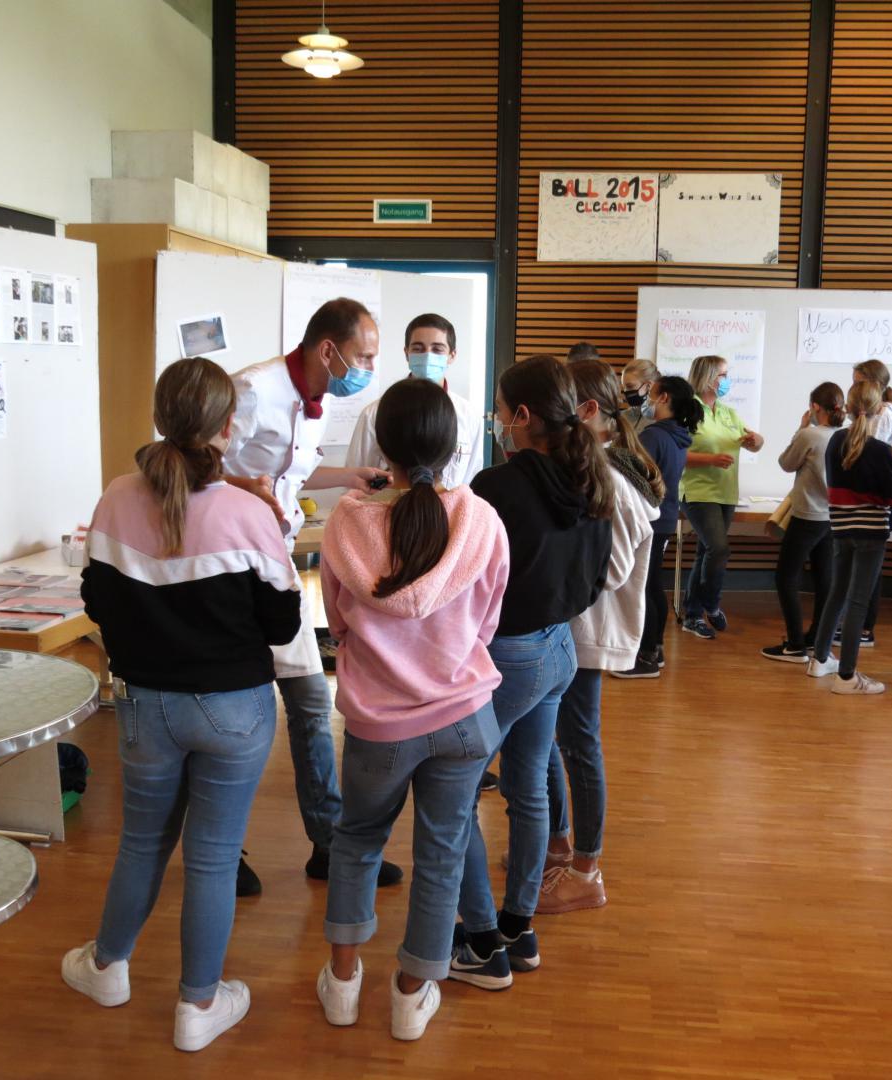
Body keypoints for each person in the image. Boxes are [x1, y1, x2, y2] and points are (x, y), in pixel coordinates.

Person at [63, 358, 302, 1052]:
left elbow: (96, 601)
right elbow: (284, 623)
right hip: (235, 710)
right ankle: (198, 1004)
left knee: (142, 843)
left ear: (160, 417)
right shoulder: (247, 512)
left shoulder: (115, 497)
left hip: (145, 707)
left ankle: (107, 967)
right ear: (228, 429)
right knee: (213, 857)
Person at [315, 379, 509, 1041]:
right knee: (443, 853)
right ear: (453, 445)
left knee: (357, 841)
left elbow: (337, 620)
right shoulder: (480, 519)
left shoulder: (347, 523)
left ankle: (343, 984)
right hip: (464, 716)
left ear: (382, 446)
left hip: (379, 723)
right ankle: (411, 995)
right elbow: (488, 619)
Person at [222, 297, 403, 894]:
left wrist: (347, 477)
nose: (368, 368)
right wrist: (242, 488)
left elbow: (292, 474)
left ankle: (328, 844)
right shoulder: (252, 389)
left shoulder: (317, 403)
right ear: (329, 350)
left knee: (307, 705)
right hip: (228, 570)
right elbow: (189, 464)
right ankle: (223, 851)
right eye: (364, 357)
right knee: (236, 719)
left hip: (275, 567)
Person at [449, 354, 613, 989]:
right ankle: (517, 928)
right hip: (559, 648)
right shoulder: (592, 476)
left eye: (500, 409)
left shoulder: (496, 486)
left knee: (455, 794)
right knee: (529, 789)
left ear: (521, 415)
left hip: (508, 655)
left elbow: (463, 578)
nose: (497, 420)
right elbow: (595, 579)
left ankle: (481, 942)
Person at [539, 359, 658, 913]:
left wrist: (542, 579)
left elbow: (606, 571)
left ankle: (587, 869)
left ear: (587, 410)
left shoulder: (613, 479)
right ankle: (558, 844)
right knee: (552, 740)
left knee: (579, 745)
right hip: (572, 626)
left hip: (587, 631)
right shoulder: (596, 468)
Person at [806, 381, 892, 694]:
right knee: (858, 602)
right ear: (879, 409)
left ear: (847, 408)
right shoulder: (881, 450)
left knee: (837, 594)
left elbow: (836, 487)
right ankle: (846, 677)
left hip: (840, 528)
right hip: (870, 532)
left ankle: (820, 659)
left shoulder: (836, 440)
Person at [613, 374, 699, 678]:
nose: (646, 400)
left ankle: (647, 657)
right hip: (664, 517)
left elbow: (636, 477)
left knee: (644, 588)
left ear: (664, 398)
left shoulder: (653, 436)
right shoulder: (677, 434)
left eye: (652, 394)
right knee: (652, 585)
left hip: (649, 518)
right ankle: (656, 649)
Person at [343, 313, 483, 488]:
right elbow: (355, 481)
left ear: (452, 355)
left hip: (451, 506)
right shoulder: (374, 414)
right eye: (418, 349)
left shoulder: (469, 415)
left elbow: (472, 480)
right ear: (406, 353)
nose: (427, 356)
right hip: (388, 505)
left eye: (437, 349)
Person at [679, 354, 763, 639]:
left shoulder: (728, 413)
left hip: (726, 492)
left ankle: (692, 616)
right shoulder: (687, 410)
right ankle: (711, 605)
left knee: (706, 551)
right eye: (723, 375)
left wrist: (757, 441)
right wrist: (710, 459)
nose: (727, 380)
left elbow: (752, 443)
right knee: (718, 548)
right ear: (707, 377)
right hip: (698, 491)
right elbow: (676, 453)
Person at [762, 382, 844, 662]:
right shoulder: (844, 434)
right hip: (832, 517)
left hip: (807, 515)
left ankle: (795, 644)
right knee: (824, 579)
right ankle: (818, 638)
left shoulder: (810, 434)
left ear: (815, 407)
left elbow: (786, 463)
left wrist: (801, 428)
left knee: (785, 576)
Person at [833, 359, 892, 650]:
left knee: (868, 572)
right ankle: (851, 625)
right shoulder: (869, 419)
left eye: (858, 382)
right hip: (862, 502)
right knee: (856, 571)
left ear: (875, 385)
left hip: (873, 503)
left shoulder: (884, 414)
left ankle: (864, 628)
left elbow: (869, 456)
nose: (853, 386)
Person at [621, 358, 660, 433]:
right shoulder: (622, 417)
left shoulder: (660, 419)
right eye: (624, 387)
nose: (626, 391)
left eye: (630, 386)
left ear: (649, 386)